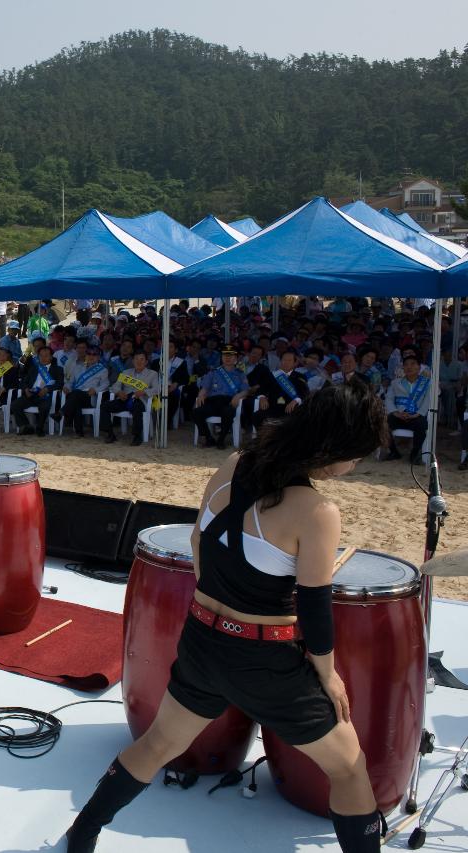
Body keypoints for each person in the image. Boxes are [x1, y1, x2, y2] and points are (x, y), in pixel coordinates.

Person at [66, 380, 388, 853]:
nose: (353, 468)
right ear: (332, 448)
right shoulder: (317, 511)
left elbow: (199, 542)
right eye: (354, 457)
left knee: (157, 745)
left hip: (201, 639)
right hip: (264, 660)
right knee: (349, 768)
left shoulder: (235, 464)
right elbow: (315, 607)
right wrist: (329, 675)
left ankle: (83, 832)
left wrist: (222, 600)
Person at [192, 346, 251, 448]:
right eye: (225, 355)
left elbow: (246, 390)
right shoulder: (213, 372)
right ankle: (208, 438)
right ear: (222, 358)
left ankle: (221, 439)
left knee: (228, 412)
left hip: (229, 402)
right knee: (196, 412)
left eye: (230, 356)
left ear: (236, 359)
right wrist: (201, 395)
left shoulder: (240, 374)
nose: (227, 358)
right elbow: (204, 388)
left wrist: (238, 395)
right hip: (213, 402)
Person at [101, 351, 160, 446]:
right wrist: (119, 392)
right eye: (136, 359)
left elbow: (157, 389)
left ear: (146, 362)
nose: (139, 362)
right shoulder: (126, 372)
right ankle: (109, 433)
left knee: (137, 408)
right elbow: (115, 386)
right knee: (105, 406)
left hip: (140, 400)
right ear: (133, 361)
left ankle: (137, 436)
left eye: (142, 359)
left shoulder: (152, 374)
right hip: (125, 399)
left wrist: (144, 392)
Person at [384, 355, 431, 463]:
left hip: (416, 416)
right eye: (406, 365)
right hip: (399, 415)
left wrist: (418, 414)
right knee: (383, 424)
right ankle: (393, 452)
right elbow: (389, 399)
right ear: (403, 368)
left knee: (422, 424)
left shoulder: (426, 383)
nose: (409, 367)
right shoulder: (395, 383)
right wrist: (395, 413)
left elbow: (427, 401)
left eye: (413, 364)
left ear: (419, 367)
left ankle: (414, 454)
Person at [57, 343, 110, 437]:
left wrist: (96, 390)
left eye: (94, 354)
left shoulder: (102, 370)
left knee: (75, 395)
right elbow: (70, 382)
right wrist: (66, 387)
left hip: (90, 396)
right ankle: (79, 432)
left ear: (98, 357)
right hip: (76, 395)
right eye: (89, 353)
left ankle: (62, 413)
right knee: (76, 402)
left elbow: (106, 384)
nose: (91, 356)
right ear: (86, 355)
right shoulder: (78, 367)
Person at [13, 342, 64, 435]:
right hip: (31, 394)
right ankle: (25, 426)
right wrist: (26, 389)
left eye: (46, 356)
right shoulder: (34, 368)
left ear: (51, 357)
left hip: (46, 395)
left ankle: (39, 427)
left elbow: (60, 384)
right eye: (41, 356)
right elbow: (23, 381)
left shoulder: (57, 369)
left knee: (44, 406)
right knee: (15, 405)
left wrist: (47, 389)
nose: (43, 358)